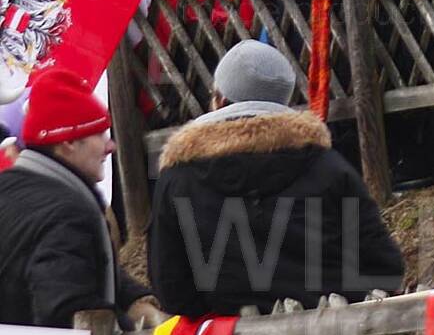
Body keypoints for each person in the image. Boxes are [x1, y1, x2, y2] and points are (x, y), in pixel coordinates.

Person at [148, 42, 405, 316]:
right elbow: (383, 268)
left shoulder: (178, 179)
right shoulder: (329, 168)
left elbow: (171, 288)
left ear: (219, 100)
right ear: (283, 100)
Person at [0, 69, 156, 328]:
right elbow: (68, 309)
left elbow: (79, 266)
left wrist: (135, 300)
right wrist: (133, 333)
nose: (111, 146)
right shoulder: (66, 214)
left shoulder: (10, 188)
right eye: (99, 134)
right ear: (69, 143)